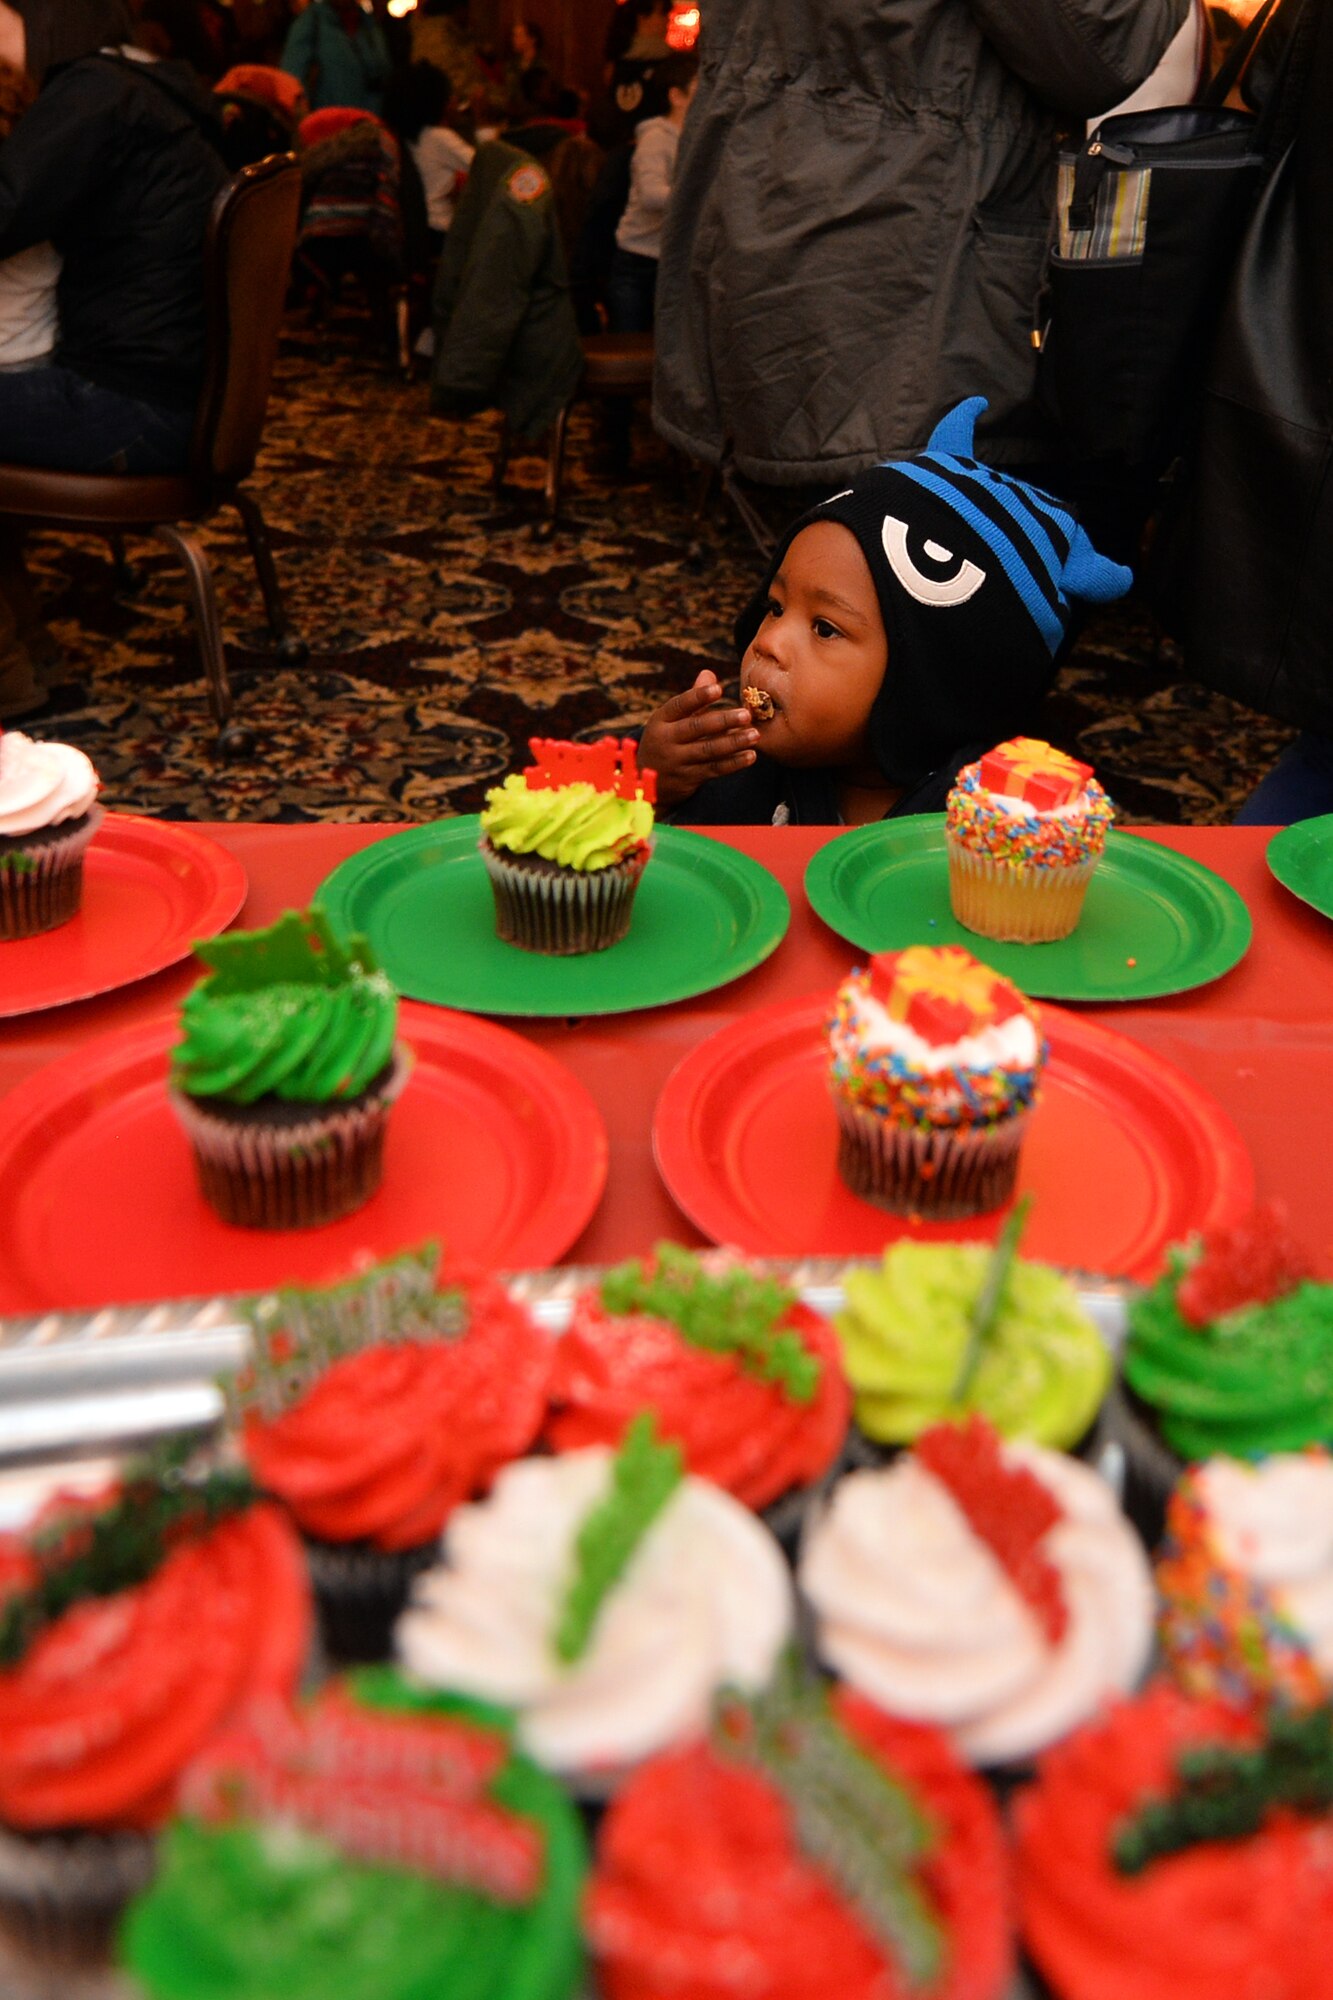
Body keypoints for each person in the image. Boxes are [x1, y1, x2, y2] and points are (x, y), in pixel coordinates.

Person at [654, 0, 1188, 485]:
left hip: (777, 202)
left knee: (828, 549)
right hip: (901, 253)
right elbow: (1097, 51)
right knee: (911, 553)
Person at [638, 398, 1132, 825]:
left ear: (932, 681)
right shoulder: (738, 763)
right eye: (774, 606)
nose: (768, 642)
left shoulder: (991, 812)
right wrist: (654, 783)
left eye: (824, 628)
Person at [606, 50, 696, 333]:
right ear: (677, 96)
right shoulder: (657, 139)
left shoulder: (696, 140)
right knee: (634, 343)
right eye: (700, 89)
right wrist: (701, 195)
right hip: (637, 263)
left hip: (673, 260)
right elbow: (651, 195)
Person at [280, 0, 389, 114]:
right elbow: (291, 82)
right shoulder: (312, 22)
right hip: (328, 124)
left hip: (370, 123)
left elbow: (383, 72)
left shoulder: (369, 25)